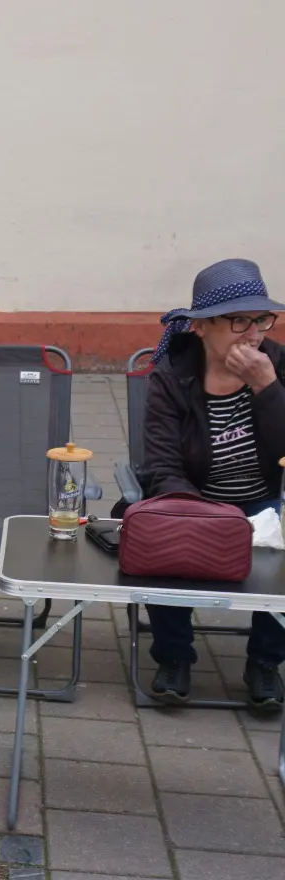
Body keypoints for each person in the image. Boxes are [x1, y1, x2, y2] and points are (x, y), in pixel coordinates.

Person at [140, 259, 285, 709]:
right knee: (159, 539)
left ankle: (264, 663)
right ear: (201, 327)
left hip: (268, 500)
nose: (252, 332)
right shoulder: (172, 376)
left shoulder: (279, 366)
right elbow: (160, 465)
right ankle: (174, 657)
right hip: (195, 501)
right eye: (238, 320)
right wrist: (201, 517)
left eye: (261, 319)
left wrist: (268, 388)